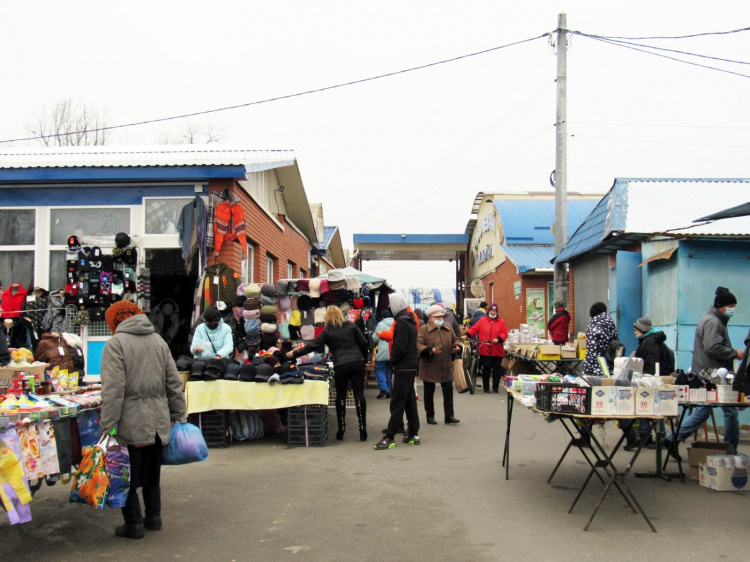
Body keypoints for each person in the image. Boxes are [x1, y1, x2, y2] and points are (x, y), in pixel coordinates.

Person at [99, 301, 186, 539]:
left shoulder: (115, 344)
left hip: (130, 421)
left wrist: (107, 427)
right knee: (151, 472)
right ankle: (154, 517)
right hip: (158, 420)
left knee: (127, 474)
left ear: (115, 321)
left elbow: (113, 391)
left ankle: (134, 523)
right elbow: (174, 383)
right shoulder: (158, 341)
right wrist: (179, 414)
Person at [664, 287, 745, 457]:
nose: (732, 309)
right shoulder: (713, 322)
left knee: (704, 410)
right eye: (730, 305)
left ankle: (673, 438)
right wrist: (734, 353)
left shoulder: (712, 320)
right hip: (713, 373)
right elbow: (712, 347)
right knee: (730, 409)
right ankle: (730, 450)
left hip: (707, 371)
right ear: (720, 305)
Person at [289, 306, 369, 441]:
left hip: (341, 364)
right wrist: (364, 359)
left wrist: (294, 353)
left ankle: (341, 430)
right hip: (357, 361)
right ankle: (362, 430)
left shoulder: (327, 331)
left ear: (327, 317)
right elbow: (364, 342)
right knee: (359, 394)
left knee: (341, 395)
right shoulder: (350, 325)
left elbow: (311, 346)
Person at [375, 294, 420, 449]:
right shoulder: (410, 321)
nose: (388, 307)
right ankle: (413, 432)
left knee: (397, 402)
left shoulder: (400, 323)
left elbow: (399, 347)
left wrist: (393, 360)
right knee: (409, 400)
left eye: (390, 305)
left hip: (403, 366)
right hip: (411, 365)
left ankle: (390, 436)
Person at [417, 304, 461, 425]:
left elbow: (455, 339)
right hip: (429, 365)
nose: (440, 319)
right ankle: (430, 416)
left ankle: (449, 416)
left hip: (446, 364)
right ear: (430, 318)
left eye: (441, 317)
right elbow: (418, 344)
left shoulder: (448, 327)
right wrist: (430, 350)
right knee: (429, 392)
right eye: (437, 317)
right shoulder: (424, 329)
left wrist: (456, 345)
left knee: (448, 391)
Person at [463, 303, 508, 393]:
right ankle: (486, 387)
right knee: (486, 368)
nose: (493, 312)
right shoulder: (482, 320)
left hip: (497, 349)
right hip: (485, 349)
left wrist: (498, 339)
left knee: (496, 369)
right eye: (491, 310)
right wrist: (466, 334)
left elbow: (505, 332)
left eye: (495, 311)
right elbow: (474, 329)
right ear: (488, 311)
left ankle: (495, 388)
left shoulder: (501, 322)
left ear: (497, 312)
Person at [582, 302, 617, 377]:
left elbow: (591, 351)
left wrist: (586, 371)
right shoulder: (612, 324)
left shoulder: (594, 327)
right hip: (611, 365)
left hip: (597, 368)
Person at [371, 311, 394, 399]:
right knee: (389, 371)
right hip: (392, 350)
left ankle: (384, 389)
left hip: (382, 351)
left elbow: (375, 338)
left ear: (383, 317)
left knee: (378, 369)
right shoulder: (395, 323)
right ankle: (389, 391)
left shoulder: (381, 324)